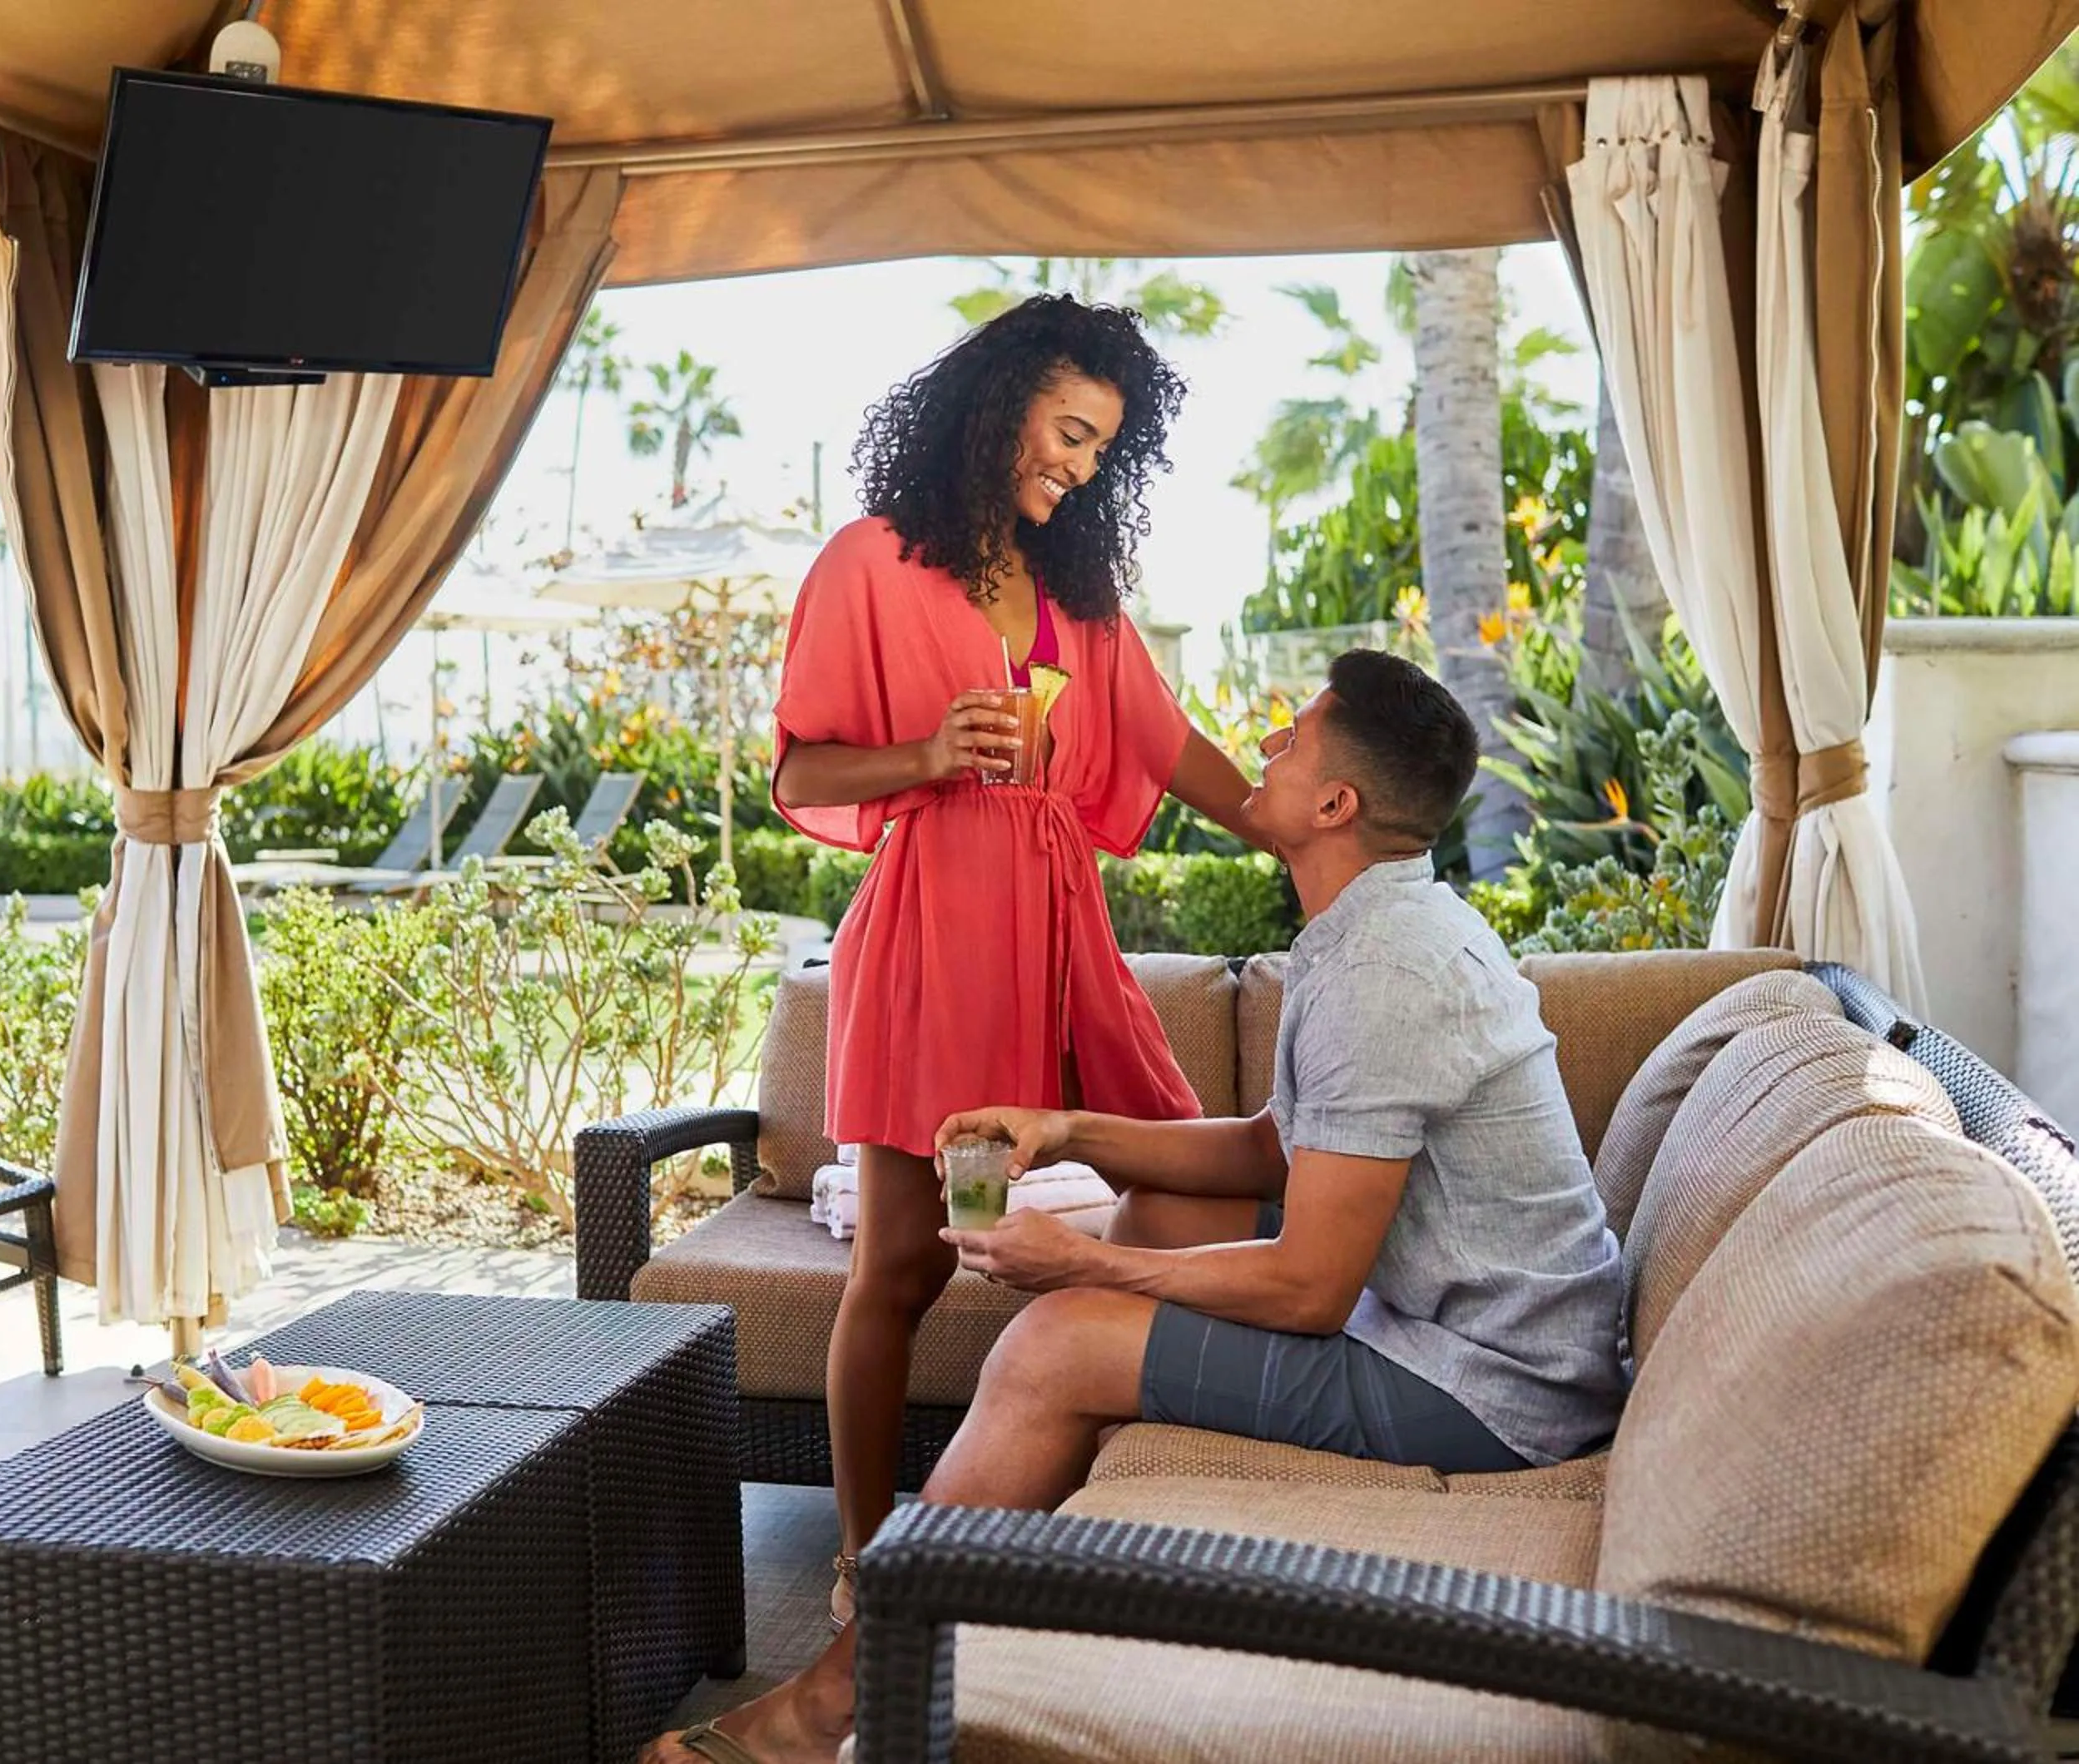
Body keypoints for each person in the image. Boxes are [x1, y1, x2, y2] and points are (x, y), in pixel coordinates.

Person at [651, 650, 1626, 1764]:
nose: (1264, 747)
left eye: (1291, 738)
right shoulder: (1371, 933)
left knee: (1054, 1348)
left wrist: (1082, 1267)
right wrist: (1065, 1129)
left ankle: (830, 1703)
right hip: (1471, 1343)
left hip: (1493, 1388)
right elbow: (1272, 1148)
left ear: (1336, 803)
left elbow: (1309, 1289)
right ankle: (989, 1613)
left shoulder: (1385, 977)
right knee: (1104, 1285)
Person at [768, 295, 1261, 1632]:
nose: (1081, 465)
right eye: (1069, 430)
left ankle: (1117, 1506)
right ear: (1000, 404)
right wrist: (927, 756)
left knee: (1191, 1166)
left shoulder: (1079, 594)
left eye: (1104, 448)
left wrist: (1291, 824)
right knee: (905, 1265)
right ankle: (871, 1568)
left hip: (1057, 928)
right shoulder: (870, 561)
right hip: (933, 928)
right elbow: (800, 769)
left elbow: (1160, 735)